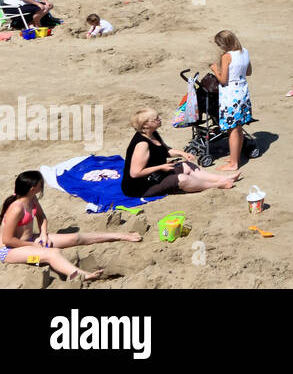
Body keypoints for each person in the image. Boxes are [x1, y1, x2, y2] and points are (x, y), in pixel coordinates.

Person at [3, 171, 142, 281]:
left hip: (30, 240)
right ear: (33, 189)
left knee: (75, 238)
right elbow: (7, 240)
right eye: (40, 184)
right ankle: (81, 275)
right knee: (52, 254)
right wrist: (34, 246)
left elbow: (41, 217)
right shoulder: (16, 208)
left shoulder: (31, 199)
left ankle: (120, 236)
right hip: (9, 251)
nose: (42, 185)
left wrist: (43, 234)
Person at [122, 109, 238, 198]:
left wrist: (182, 153)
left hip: (158, 175)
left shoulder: (152, 133)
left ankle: (221, 178)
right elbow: (135, 173)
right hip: (142, 187)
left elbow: (165, 150)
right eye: (156, 119)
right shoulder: (142, 144)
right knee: (183, 179)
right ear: (145, 125)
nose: (160, 119)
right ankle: (217, 185)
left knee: (188, 166)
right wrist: (161, 167)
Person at [210, 30, 253, 172]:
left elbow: (223, 80)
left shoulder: (226, 56)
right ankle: (236, 157)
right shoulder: (244, 51)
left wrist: (215, 70)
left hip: (230, 95)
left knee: (232, 129)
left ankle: (234, 163)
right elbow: (248, 72)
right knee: (238, 127)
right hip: (242, 92)